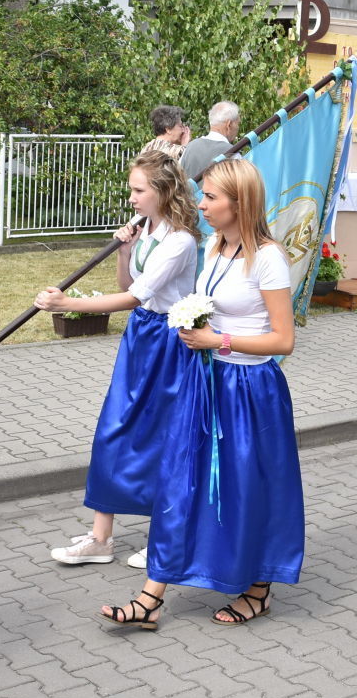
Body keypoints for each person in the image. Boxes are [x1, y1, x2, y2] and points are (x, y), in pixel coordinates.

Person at [97, 159, 304, 630]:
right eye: (204, 195)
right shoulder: (213, 247)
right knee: (180, 481)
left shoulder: (267, 257)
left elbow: (283, 340)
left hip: (248, 389)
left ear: (240, 202)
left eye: (211, 197)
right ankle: (151, 597)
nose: (202, 205)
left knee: (247, 486)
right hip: (205, 380)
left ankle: (258, 588)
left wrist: (218, 341)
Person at [35, 151, 200, 568]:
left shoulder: (179, 242)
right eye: (132, 189)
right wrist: (125, 251)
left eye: (139, 190)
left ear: (163, 191)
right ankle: (100, 538)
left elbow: (133, 298)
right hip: (141, 337)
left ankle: (163, 538)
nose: (131, 198)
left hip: (169, 343)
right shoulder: (146, 227)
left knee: (161, 437)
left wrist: (66, 303)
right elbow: (129, 283)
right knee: (114, 429)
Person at [181, 101, 240, 182]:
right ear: (229, 124)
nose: (238, 128)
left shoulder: (189, 148)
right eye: (237, 124)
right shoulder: (232, 154)